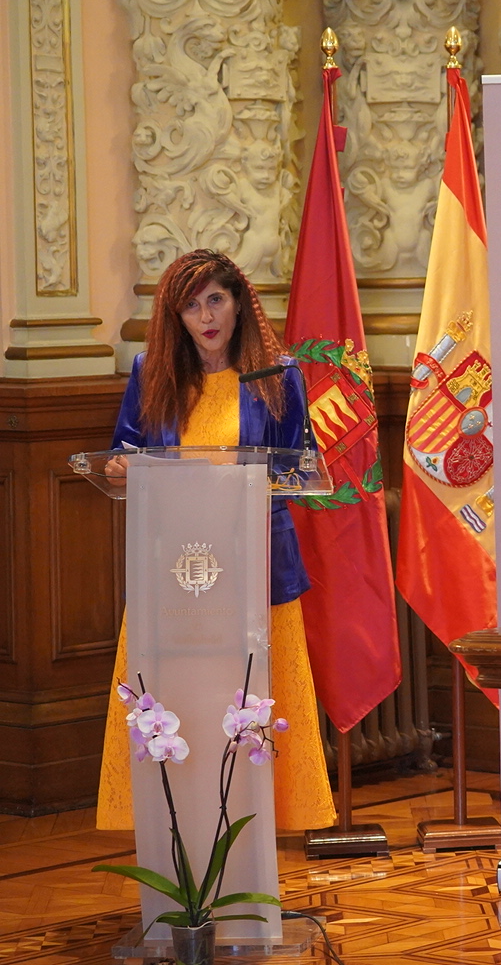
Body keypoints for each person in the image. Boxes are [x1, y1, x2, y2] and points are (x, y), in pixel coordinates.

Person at [96, 249, 335, 831]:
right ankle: (184, 821)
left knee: (256, 701)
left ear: (238, 304)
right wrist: (120, 468)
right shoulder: (151, 372)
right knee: (184, 698)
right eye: (191, 306)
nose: (205, 317)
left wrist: (259, 476)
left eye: (215, 300)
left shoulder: (277, 375)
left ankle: (257, 823)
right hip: (176, 569)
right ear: (174, 317)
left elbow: (300, 465)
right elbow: (124, 452)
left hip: (257, 564)